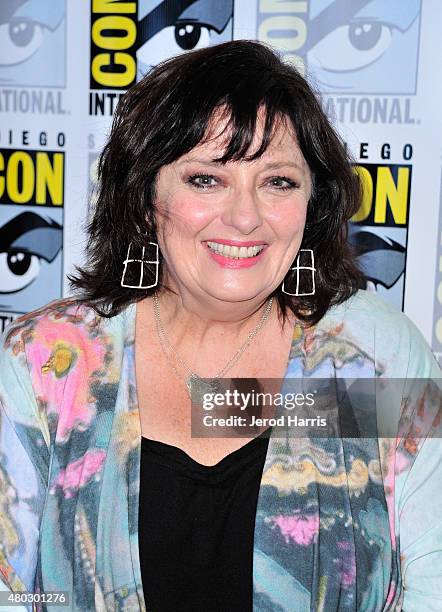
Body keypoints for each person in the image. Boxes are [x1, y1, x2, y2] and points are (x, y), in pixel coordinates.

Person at [0, 40, 441, 612]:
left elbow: (433, 578)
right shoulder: (47, 361)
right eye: (207, 179)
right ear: (144, 194)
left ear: (313, 202)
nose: (244, 217)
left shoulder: (369, 355)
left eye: (277, 181)